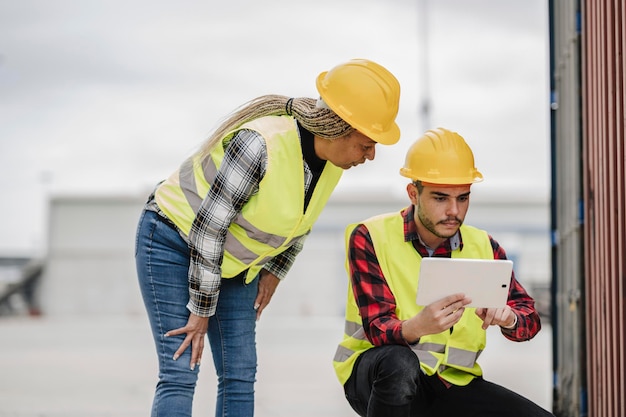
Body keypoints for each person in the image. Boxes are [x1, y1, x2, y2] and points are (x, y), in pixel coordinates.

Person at [135, 58, 401, 417]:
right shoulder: (260, 144)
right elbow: (209, 230)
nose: (370, 156)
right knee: (182, 368)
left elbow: (299, 222)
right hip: (171, 240)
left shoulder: (333, 164)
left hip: (230, 263)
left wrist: (275, 271)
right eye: (367, 144)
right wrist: (200, 310)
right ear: (339, 128)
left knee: (240, 373)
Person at [333, 127, 555, 416]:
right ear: (413, 193)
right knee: (399, 365)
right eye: (440, 198)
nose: (454, 211)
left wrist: (509, 318)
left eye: (463, 198)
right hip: (376, 377)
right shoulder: (371, 237)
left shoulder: (484, 247)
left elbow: (529, 318)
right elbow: (377, 327)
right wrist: (418, 327)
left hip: (452, 383)